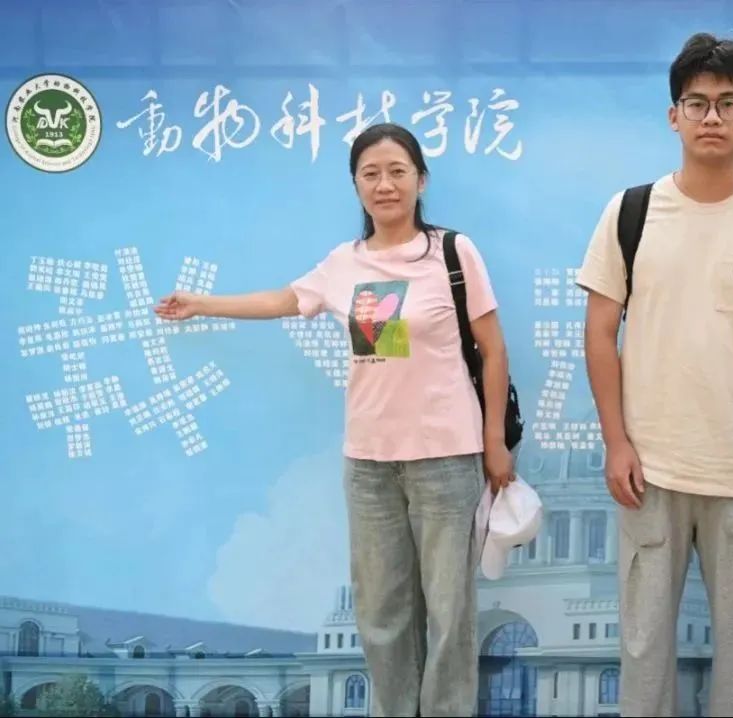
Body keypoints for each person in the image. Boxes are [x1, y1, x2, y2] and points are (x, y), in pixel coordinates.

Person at [155, 122, 515, 717]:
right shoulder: (343, 263)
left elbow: (494, 350)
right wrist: (203, 303)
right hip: (369, 465)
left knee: (450, 610)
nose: (385, 184)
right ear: (356, 186)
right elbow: (283, 299)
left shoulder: (453, 253)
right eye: (370, 174)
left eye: (397, 171)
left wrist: (494, 440)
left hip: (446, 459)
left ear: (421, 180)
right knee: (381, 613)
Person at [576, 32, 733, 716]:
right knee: (643, 654)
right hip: (649, 471)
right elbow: (600, 334)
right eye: (696, 103)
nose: (712, 116)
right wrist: (616, 443)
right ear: (674, 116)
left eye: (728, 102)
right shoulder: (630, 212)